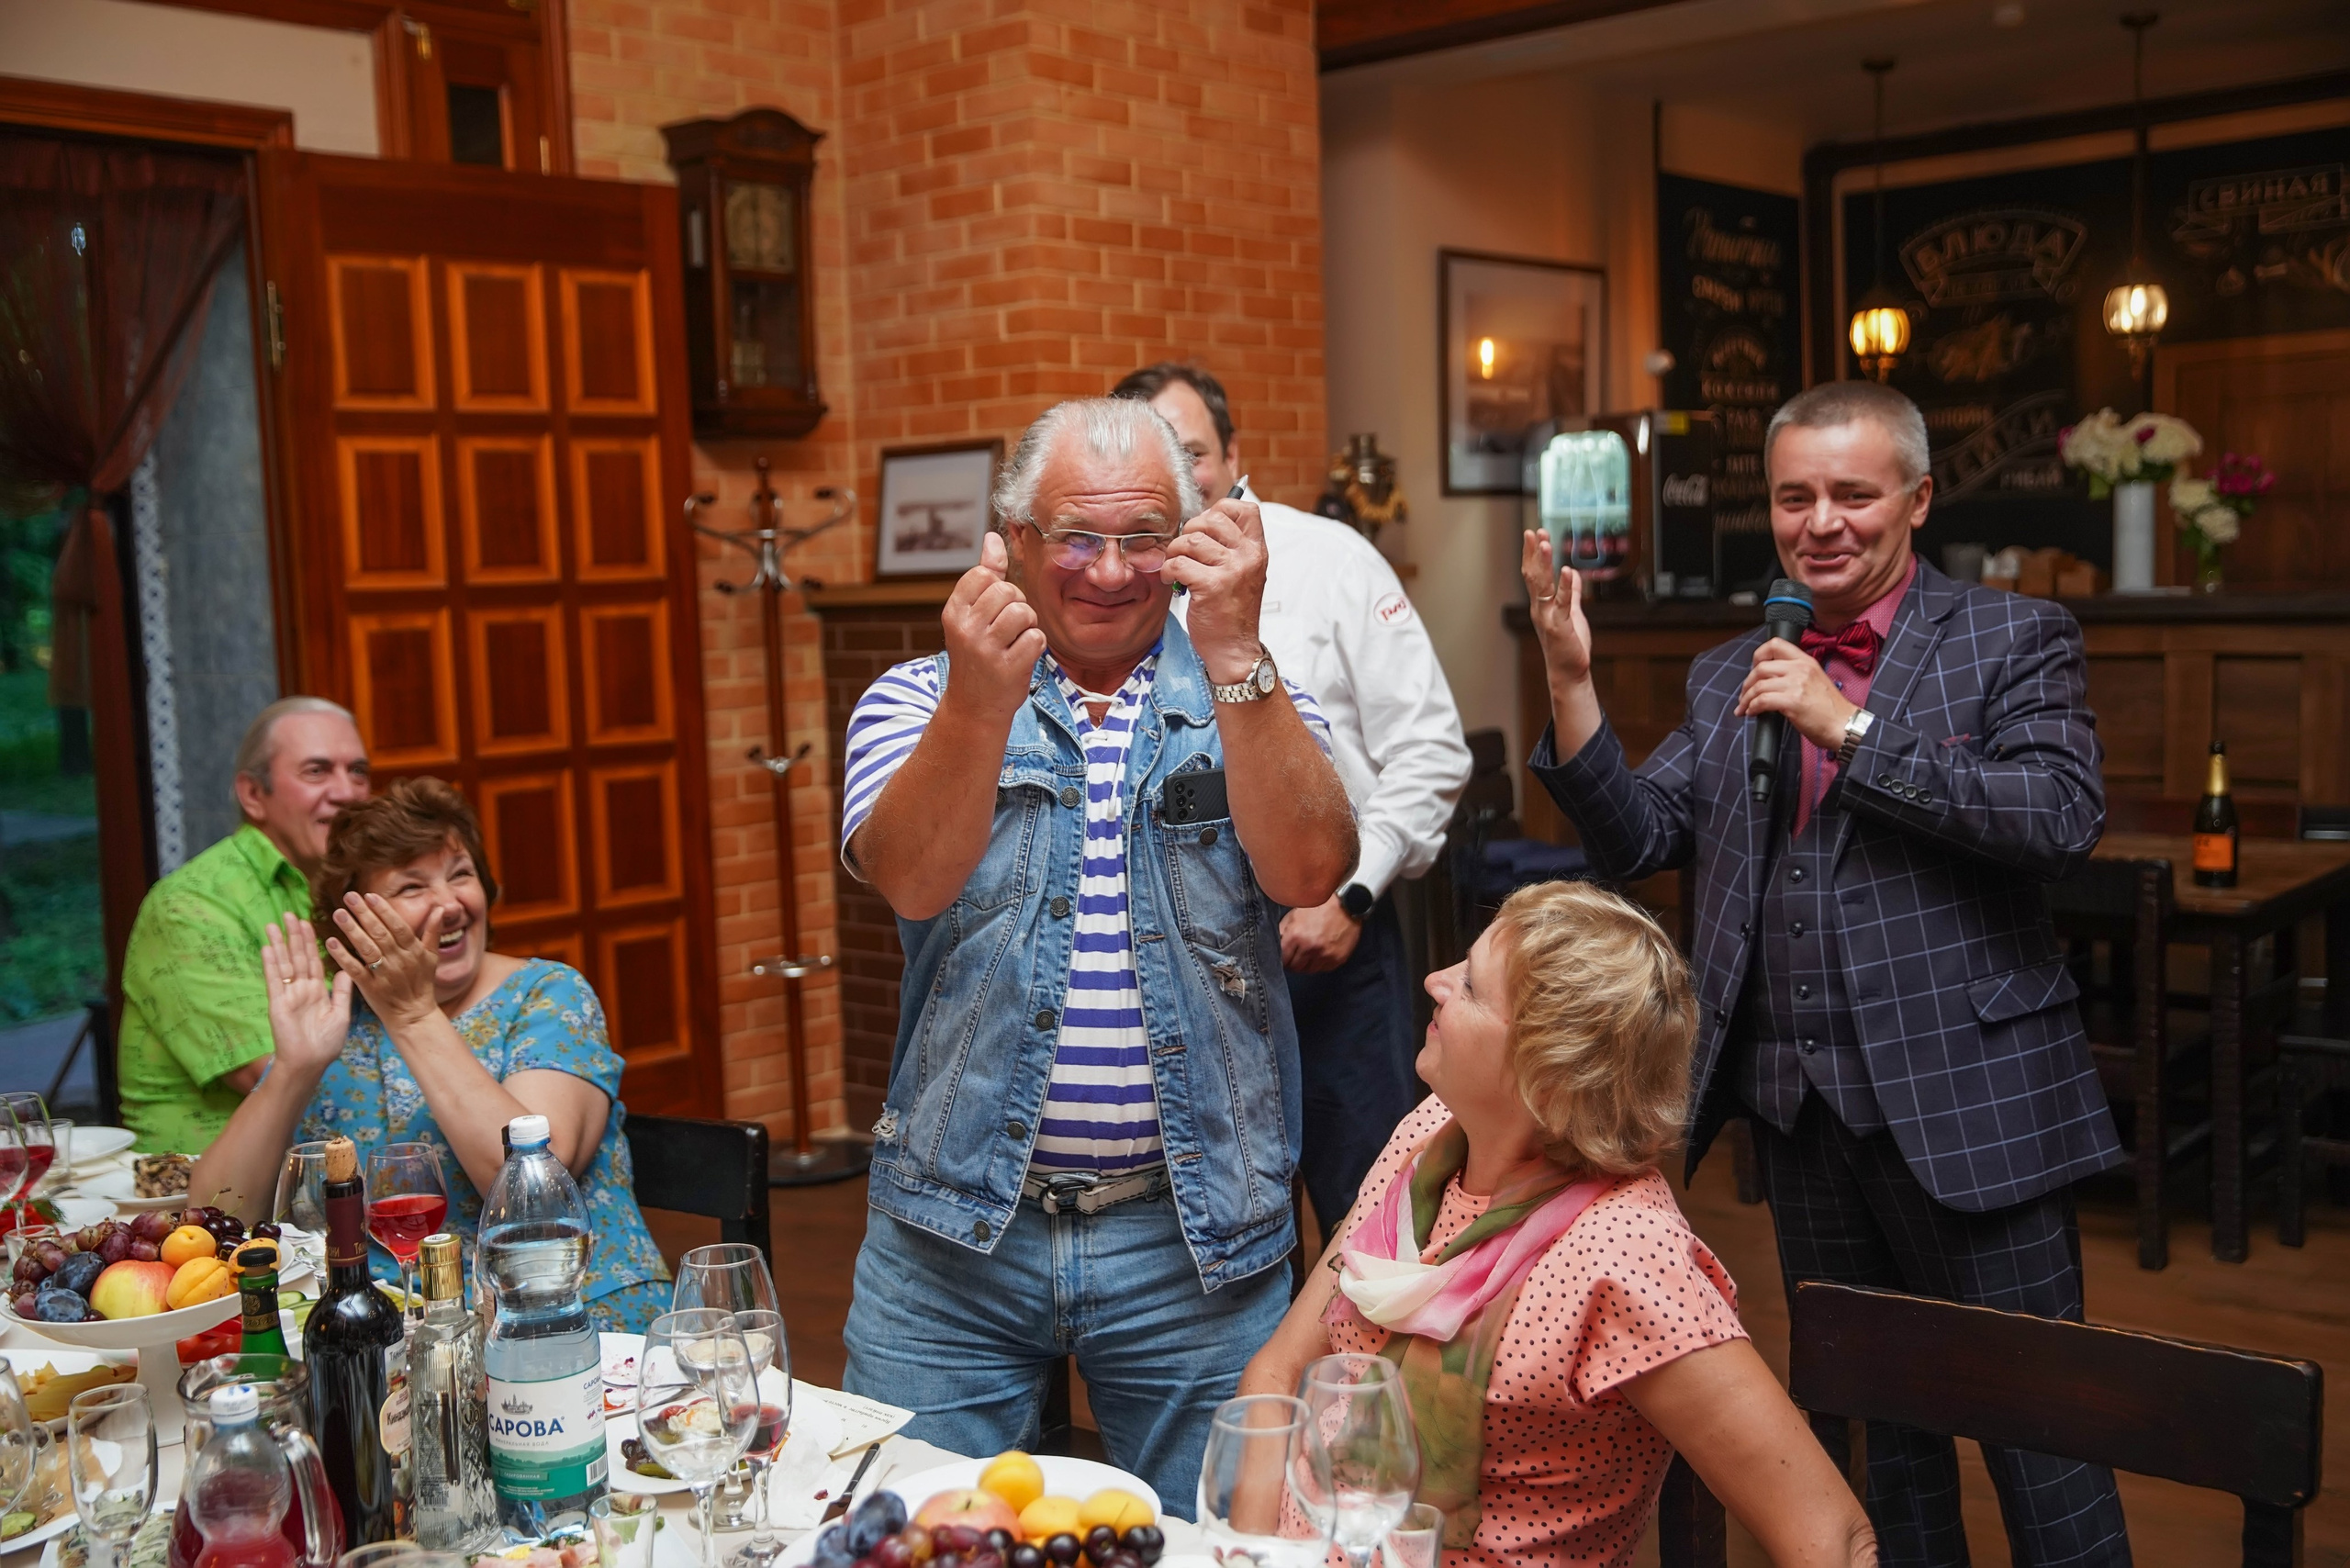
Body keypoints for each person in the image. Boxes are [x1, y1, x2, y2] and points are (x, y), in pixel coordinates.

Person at [1523, 380, 2125, 1566]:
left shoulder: (2009, 638)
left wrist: (1845, 727)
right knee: (1876, 1447)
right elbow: (1640, 839)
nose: (1823, 522)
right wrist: (1569, 677)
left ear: (1917, 498)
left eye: (1854, 494)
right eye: (1796, 497)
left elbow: (2059, 817)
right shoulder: (1732, 670)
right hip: (1801, 1120)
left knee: (2043, 1440)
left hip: (1975, 1109)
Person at [836, 397, 1357, 1509]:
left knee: (1225, 1539)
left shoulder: (1252, 693)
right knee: (915, 1533)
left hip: (1196, 1242)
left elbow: (1311, 871)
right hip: (950, 1237)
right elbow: (911, 876)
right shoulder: (914, 697)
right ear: (1013, 538)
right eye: (1077, 536)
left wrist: (1236, 654)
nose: (1112, 571)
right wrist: (980, 706)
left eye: (1143, 537)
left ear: (1194, 533)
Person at [1242, 881, 1875, 1568]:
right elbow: (1277, 1372)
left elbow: (1833, 1540)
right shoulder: (1430, 1138)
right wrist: (1246, 1557)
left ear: (1547, 1075)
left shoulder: (1623, 1258)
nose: (1433, 980)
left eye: (1473, 989)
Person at [1112, 362, 1471, 1236]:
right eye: (1149, 452)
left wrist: (1349, 898)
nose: (1175, 472)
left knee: (1373, 1220)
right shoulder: (1113, 592)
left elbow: (1430, 750)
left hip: (1331, 947)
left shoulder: (1331, 557)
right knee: (1225, 1231)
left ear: (1233, 454)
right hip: (1184, 973)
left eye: (1189, 450)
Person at [188, 778, 671, 1332]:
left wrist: (414, 1016)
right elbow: (215, 1219)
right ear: (355, 925)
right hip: (399, 1344)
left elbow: (534, 1194)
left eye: (461, 875)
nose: (449, 904)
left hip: (576, 1325)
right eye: (412, 887)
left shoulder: (547, 994)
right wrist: (292, 1071)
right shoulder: (338, 1028)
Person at [120, 697, 372, 1153]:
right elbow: (275, 1075)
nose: (347, 792)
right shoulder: (191, 905)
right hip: (205, 1206)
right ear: (254, 794)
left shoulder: (355, 886)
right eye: (316, 771)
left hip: (326, 1173)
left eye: (358, 771)